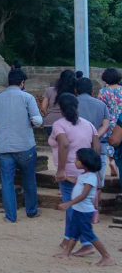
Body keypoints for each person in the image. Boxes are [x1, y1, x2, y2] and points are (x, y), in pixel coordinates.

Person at [0, 69, 43, 222]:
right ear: (22, 83)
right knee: (29, 179)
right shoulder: (27, 97)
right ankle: (31, 211)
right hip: (25, 145)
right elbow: (38, 121)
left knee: (7, 181)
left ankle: (10, 216)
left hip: (4, 146)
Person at [50, 93, 99, 256]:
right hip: (85, 168)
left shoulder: (60, 125)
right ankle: (68, 238)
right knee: (75, 206)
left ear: (61, 109)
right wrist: (93, 167)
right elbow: (96, 147)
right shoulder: (88, 124)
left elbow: (64, 143)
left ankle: (85, 242)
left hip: (69, 168)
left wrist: (61, 169)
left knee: (72, 207)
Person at [54, 149, 115, 266]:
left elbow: (84, 195)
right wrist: (65, 178)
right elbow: (76, 181)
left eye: (77, 159)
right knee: (74, 232)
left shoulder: (91, 177)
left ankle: (107, 256)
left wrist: (69, 203)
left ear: (85, 162)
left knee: (88, 234)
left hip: (84, 211)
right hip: (78, 209)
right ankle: (66, 253)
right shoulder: (84, 175)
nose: (75, 161)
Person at [76, 77, 111, 221]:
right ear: (92, 90)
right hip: (99, 146)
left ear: (76, 90)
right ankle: (95, 212)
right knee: (97, 182)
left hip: (78, 146)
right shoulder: (100, 105)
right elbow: (106, 124)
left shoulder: (73, 104)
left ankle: (80, 210)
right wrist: (95, 135)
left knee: (79, 181)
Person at [41, 70, 76, 139]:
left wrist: (48, 115)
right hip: (68, 122)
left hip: (50, 123)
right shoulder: (74, 92)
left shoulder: (49, 90)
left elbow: (43, 107)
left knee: (55, 146)